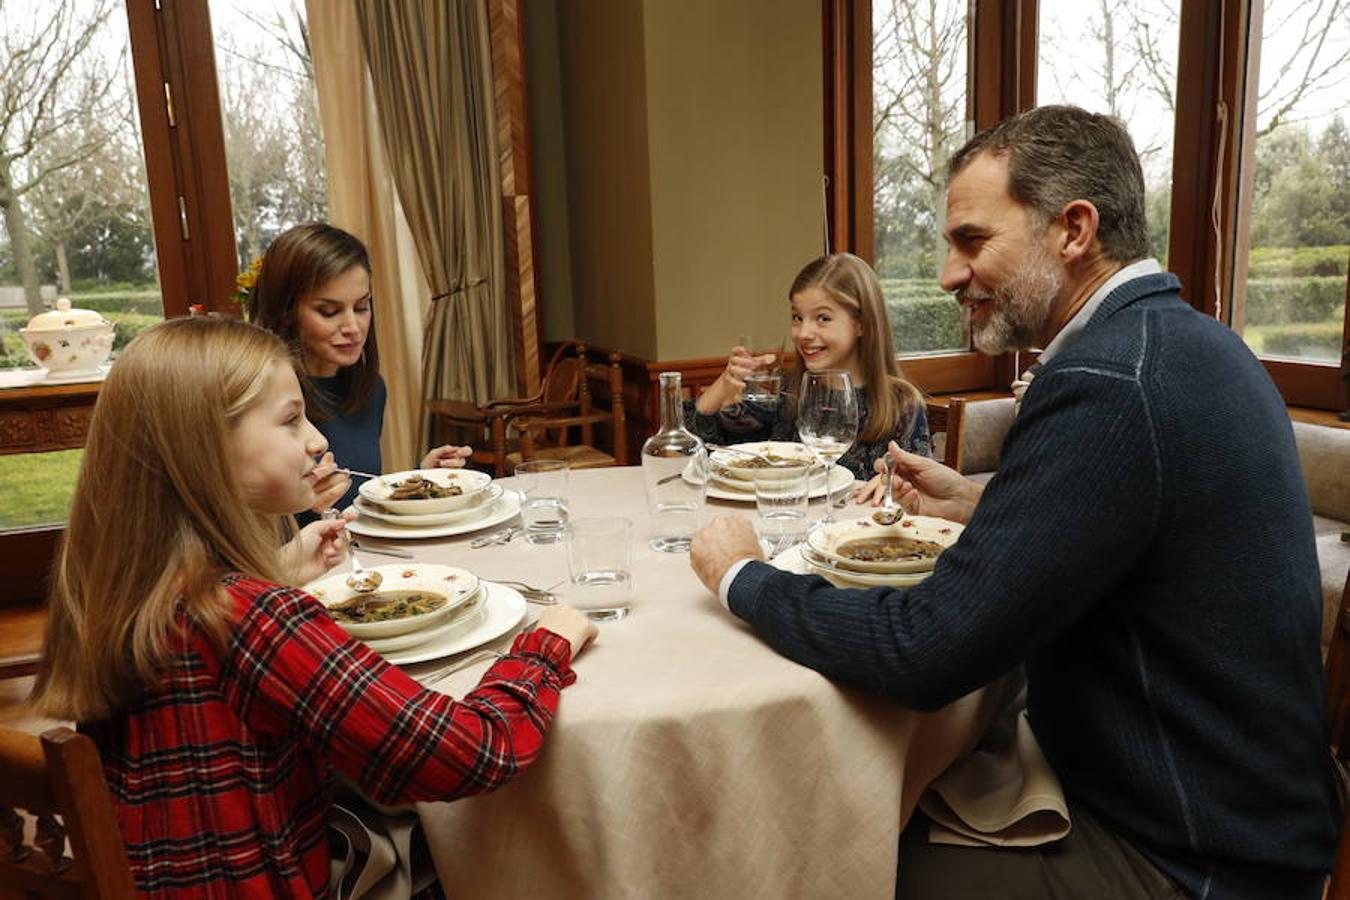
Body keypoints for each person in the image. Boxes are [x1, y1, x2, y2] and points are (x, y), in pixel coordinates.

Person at [688, 105, 1336, 899]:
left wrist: (741, 577)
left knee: (829, 855)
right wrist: (986, 507)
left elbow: (924, 653)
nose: (949, 275)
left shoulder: (1106, 382)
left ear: (1073, 230)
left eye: (972, 241)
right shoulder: (1188, 342)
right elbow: (1135, 532)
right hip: (1238, 809)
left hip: (1193, 854)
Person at [29, 316, 598, 898]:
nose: (318, 440)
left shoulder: (121, 585)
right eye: (290, 419)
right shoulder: (253, 619)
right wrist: (545, 646)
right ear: (203, 447)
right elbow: (468, 753)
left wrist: (276, 572)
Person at [249, 222, 473, 518]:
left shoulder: (370, 391)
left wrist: (419, 481)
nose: (353, 328)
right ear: (286, 312)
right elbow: (240, 533)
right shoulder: (258, 399)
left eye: (361, 307)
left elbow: (355, 499)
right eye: (329, 312)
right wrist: (300, 505)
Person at [683, 253, 931, 480]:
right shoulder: (786, 392)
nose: (803, 333)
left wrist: (895, 487)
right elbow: (701, 449)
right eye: (797, 317)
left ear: (861, 324)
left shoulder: (902, 404)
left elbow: (915, 494)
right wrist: (725, 383)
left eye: (823, 318)